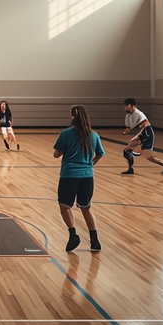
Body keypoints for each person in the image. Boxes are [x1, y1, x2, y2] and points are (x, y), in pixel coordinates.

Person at [53, 104, 104, 253]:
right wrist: (90, 163)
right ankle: (94, 240)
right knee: (86, 208)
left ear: (72, 116)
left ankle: (73, 234)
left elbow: (57, 153)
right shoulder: (93, 135)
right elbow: (100, 153)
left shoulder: (66, 134)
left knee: (64, 206)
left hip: (69, 175)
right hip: (87, 176)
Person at [121, 97, 163, 175]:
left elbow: (145, 124)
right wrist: (126, 132)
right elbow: (129, 128)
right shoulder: (128, 116)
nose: (125, 108)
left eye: (126, 106)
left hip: (147, 134)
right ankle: (130, 169)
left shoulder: (138, 114)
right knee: (126, 151)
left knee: (149, 157)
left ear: (132, 106)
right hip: (141, 135)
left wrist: (137, 136)